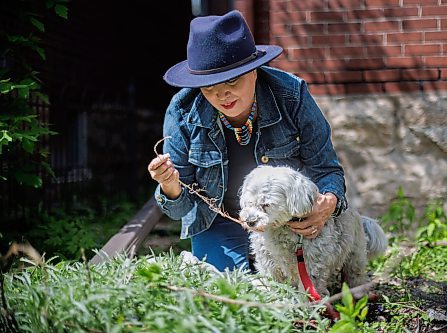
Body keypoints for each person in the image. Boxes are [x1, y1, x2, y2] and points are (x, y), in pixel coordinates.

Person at [148, 10, 347, 272]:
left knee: (299, 284)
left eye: (231, 80)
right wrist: (170, 185)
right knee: (229, 287)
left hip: (285, 219)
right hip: (218, 221)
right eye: (209, 87)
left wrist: (328, 202)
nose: (222, 95)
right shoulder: (182, 112)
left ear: (253, 70)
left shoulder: (292, 95)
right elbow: (179, 209)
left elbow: (326, 169)